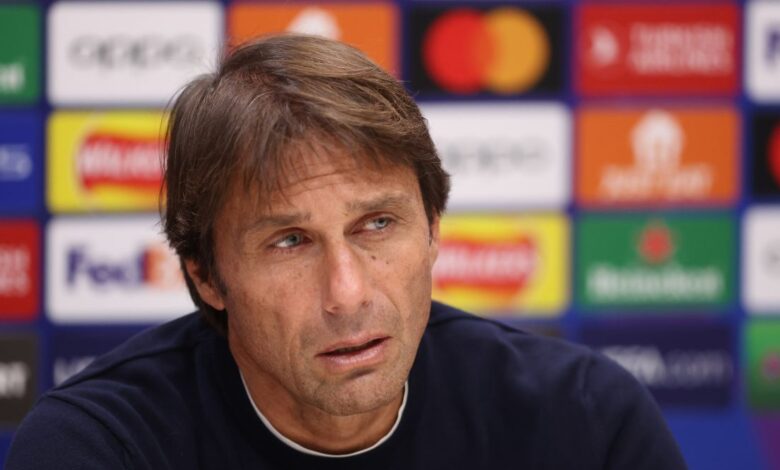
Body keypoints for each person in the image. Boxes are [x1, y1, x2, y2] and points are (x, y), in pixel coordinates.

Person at [6, 34, 687, 469]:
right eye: (290, 241)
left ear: (434, 229)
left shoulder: (587, 424)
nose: (349, 292)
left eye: (378, 225)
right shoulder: (100, 449)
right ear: (207, 275)